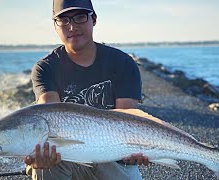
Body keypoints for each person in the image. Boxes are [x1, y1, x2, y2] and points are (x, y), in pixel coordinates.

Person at [25, 0, 149, 179]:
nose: (72, 26)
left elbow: (127, 119)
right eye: (64, 20)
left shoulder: (122, 63)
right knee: (43, 165)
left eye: (80, 17)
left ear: (94, 19)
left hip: (111, 158)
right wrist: (40, 154)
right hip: (65, 159)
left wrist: (134, 149)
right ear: (55, 25)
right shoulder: (46, 68)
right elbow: (49, 115)